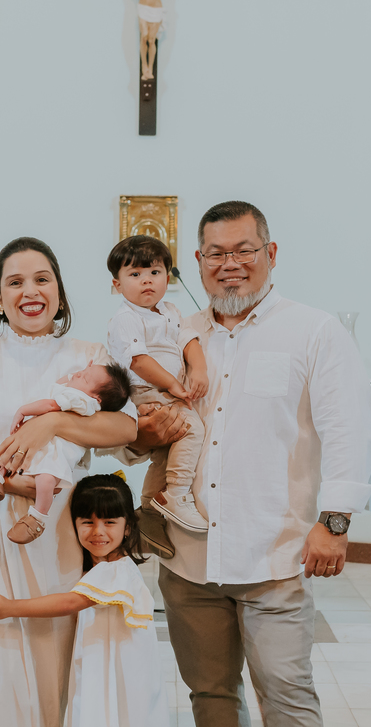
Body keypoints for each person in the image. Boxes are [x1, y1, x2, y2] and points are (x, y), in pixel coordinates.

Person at [128, 201, 371, 727]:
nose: (230, 263)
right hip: (188, 560)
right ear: (197, 260)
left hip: (275, 556)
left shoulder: (313, 330)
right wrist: (140, 434)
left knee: (287, 699)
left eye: (244, 249)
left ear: (271, 253)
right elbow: (138, 423)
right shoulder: (175, 333)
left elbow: (350, 429)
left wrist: (335, 523)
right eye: (216, 253)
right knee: (211, 699)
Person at [0, 237, 138, 727]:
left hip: (60, 531)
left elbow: (125, 428)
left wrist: (51, 424)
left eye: (42, 279)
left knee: (55, 645)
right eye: (14, 282)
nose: (29, 291)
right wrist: (13, 485)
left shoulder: (88, 354)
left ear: (59, 291)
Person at [0, 473, 167, 727]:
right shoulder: (101, 568)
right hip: (108, 666)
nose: (98, 532)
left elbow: (69, 603)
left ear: (127, 526)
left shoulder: (116, 571)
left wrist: (10, 607)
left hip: (120, 673)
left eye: (109, 522)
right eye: (87, 521)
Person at [105, 235, 208, 556]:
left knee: (169, 447)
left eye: (154, 272)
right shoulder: (126, 318)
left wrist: (199, 370)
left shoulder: (171, 310)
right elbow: (139, 360)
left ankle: (149, 511)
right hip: (145, 390)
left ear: (168, 276)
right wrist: (172, 386)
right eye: (134, 275)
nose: (146, 281)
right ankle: (176, 493)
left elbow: (189, 340)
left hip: (166, 388)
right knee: (192, 429)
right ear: (117, 285)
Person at [0, 361, 132, 544]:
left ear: (97, 398)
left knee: (46, 480)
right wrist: (85, 372)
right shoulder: (75, 391)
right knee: (7, 453)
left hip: (56, 452)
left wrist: (23, 410)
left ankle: (37, 517)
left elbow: (50, 405)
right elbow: (63, 381)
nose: (78, 374)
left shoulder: (82, 401)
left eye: (86, 378)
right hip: (41, 444)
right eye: (82, 371)